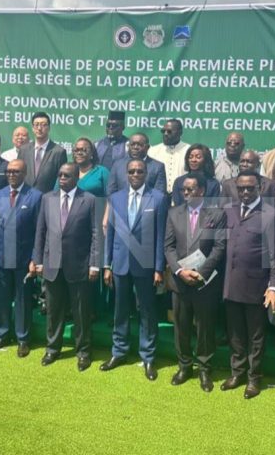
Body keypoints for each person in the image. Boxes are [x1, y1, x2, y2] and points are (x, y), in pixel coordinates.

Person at [101, 159, 169, 381]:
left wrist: (159, 267)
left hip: (146, 264)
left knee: (147, 311)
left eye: (140, 171)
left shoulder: (158, 198)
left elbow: (160, 235)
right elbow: (110, 234)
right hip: (120, 263)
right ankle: (119, 352)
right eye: (132, 171)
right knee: (120, 310)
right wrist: (107, 264)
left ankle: (148, 356)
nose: (136, 174)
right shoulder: (116, 198)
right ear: (126, 174)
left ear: (146, 173)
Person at [221, 170, 275, 398]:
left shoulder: (271, 215)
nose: (245, 192)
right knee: (235, 333)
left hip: (257, 287)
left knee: (256, 337)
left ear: (260, 188)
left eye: (250, 188)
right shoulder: (228, 211)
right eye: (241, 188)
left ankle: (254, 378)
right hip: (230, 284)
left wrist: (274, 285)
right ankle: (237, 373)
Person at [32, 163, 99, 371]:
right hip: (52, 264)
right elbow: (40, 231)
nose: (62, 178)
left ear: (76, 178)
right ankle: (52, 349)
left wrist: (94, 264)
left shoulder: (89, 200)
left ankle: (83, 352)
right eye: (60, 175)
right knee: (54, 311)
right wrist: (38, 260)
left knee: (80, 312)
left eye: (67, 175)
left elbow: (96, 234)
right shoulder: (47, 198)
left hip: (79, 264)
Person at [165, 172, 226, 392]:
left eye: (190, 189)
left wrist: (201, 273)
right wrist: (180, 271)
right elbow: (168, 247)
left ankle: (204, 368)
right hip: (180, 281)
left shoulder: (217, 214)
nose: (186, 193)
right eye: (183, 190)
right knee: (181, 326)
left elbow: (219, 247)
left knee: (204, 327)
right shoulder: (173, 213)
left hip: (205, 282)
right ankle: (184, 366)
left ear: (202, 190)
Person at [0, 159, 42, 356]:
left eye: (16, 172)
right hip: (1, 257)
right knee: (2, 299)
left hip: (24, 260)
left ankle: (23, 339)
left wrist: (35, 259)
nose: (11, 175)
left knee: (23, 300)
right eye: (8, 171)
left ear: (25, 174)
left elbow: (39, 232)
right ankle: (2, 335)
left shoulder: (35, 196)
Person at [18, 111, 67, 193]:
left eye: (43, 125)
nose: (39, 128)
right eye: (36, 125)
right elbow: (19, 174)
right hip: (25, 196)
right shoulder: (24, 150)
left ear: (49, 128)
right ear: (32, 128)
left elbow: (61, 180)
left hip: (47, 197)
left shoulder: (59, 152)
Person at [147, 119, 189, 197]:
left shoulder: (189, 150)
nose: (165, 134)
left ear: (180, 133)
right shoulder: (153, 151)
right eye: (163, 131)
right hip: (158, 196)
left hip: (182, 196)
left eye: (169, 131)